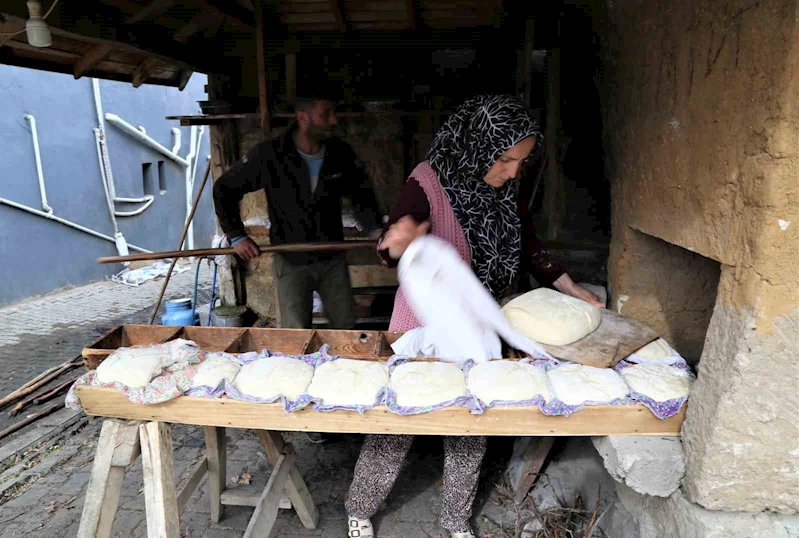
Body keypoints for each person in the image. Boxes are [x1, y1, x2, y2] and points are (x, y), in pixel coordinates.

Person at [344, 95, 604, 538]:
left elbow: (530, 244)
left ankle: (455, 520)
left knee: (470, 421)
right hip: (423, 324)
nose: (513, 171)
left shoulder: (506, 187)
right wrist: (398, 238)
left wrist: (570, 287)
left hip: (478, 322)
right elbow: (392, 246)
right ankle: (360, 507)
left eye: (520, 161)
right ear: (478, 145)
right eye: (505, 159)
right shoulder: (427, 181)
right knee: (399, 418)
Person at [213, 92, 383, 331]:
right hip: (290, 259)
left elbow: (362, 195)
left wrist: (374, 229)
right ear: (303, 117)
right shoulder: (271, 154)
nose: (334, 120)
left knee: (346, 330)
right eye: (326, 114)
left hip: (331, 257)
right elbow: (224, 189)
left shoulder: (340, 154)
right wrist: (236, 235)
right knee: (295, 332)